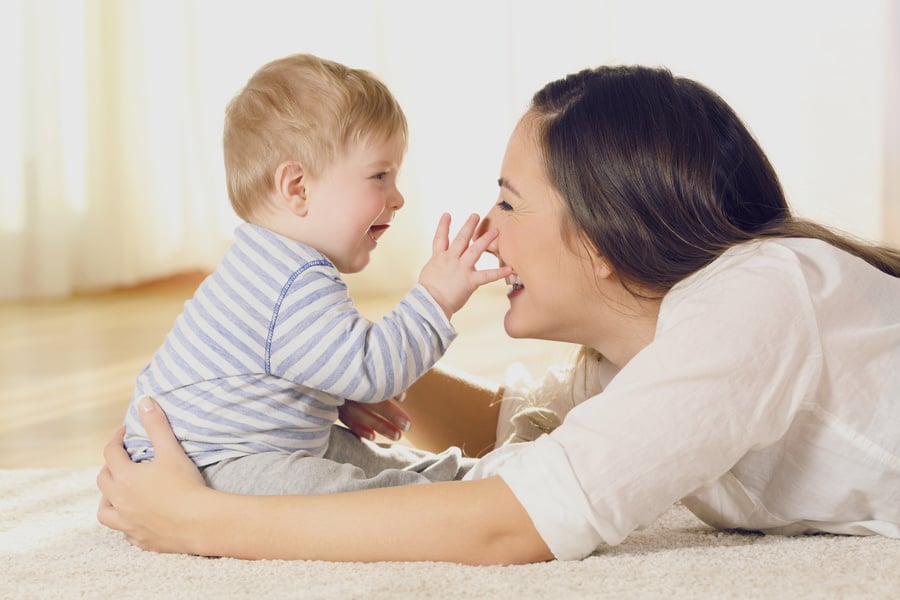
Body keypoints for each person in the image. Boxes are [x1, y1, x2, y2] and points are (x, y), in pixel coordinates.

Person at [99, 64, 900, 565]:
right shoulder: (642, 355)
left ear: (603, 237)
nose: (486, 228)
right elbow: (508, 425)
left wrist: (199, 519)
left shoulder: (756, 301)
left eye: (508, 202)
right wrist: (312, 371)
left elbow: (509, 527)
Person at [122, 53, 510, 495]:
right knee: (345, 494)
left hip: (228, 450)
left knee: (355, 456)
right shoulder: (293, 278)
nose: (397, 197)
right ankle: (460, 491)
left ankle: (463, 478)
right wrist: (436, 296)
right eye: (380, 176)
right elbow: (370, 370)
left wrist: (328, 396)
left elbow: (295, 371)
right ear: (298, 188)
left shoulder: (265, 261)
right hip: (209, 465)